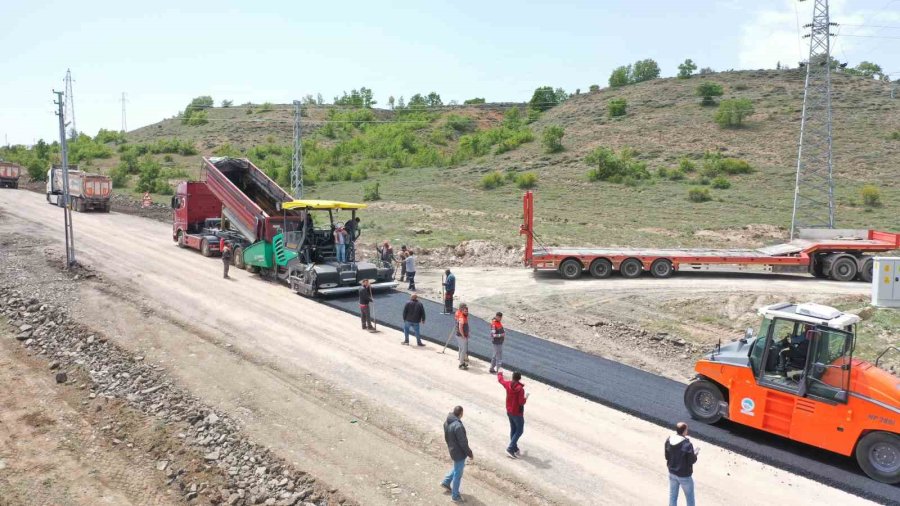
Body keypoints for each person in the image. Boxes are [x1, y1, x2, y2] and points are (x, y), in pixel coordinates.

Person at [441, 405, 473, 503]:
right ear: (461, 414)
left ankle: (446, 482)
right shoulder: (458, 426)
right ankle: (455, 496)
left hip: (452, 449)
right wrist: (470, 453)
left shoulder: (447, 422)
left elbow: (446, 437)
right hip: (459, 452)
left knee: (457, 467)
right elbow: (463, 443)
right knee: (458, 474)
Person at [665, 422, 699, 506]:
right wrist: (695, 455)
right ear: (684, 431)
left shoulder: (668, 440)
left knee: (673, 497)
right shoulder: (687, 445)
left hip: (672, 473)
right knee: (690, 499)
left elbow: (667, 456)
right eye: (687, 429)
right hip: (684, 476)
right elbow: (691, 460)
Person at [498, 370, 528, 459]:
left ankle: (514, 448)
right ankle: (510, 448)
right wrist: (526, 398)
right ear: (519, 378)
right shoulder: (520, 389)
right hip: (517, 413)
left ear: (512, 377)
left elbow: (501, 380)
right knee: (519, 430)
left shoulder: (508, 384)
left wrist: (499, 373)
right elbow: (521, 402)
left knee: (513, 429)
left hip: (509, 411)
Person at [455, 304, 470, 369]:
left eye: (467, 311)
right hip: (461, 336)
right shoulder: (461, 317)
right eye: (465, 311)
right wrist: (463, 335)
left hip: (463, 335)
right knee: (463, 349)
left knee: (462, 348)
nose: (466, 312)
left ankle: (462, 361)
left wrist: (467, 333)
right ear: (462, 310)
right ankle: (461, 364)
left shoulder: (464, 316)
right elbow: (460, 327)